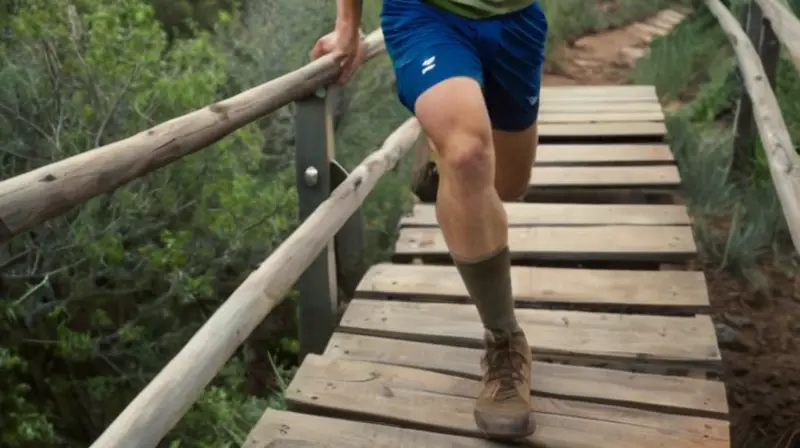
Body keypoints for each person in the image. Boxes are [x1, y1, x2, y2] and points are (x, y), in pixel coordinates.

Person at [311, 0, 547, 440]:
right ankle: (504, 341)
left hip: (516, 20)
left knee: (509, 185)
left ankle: (440, 147)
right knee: (470, 155)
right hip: (426, 14)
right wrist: (348, 27)